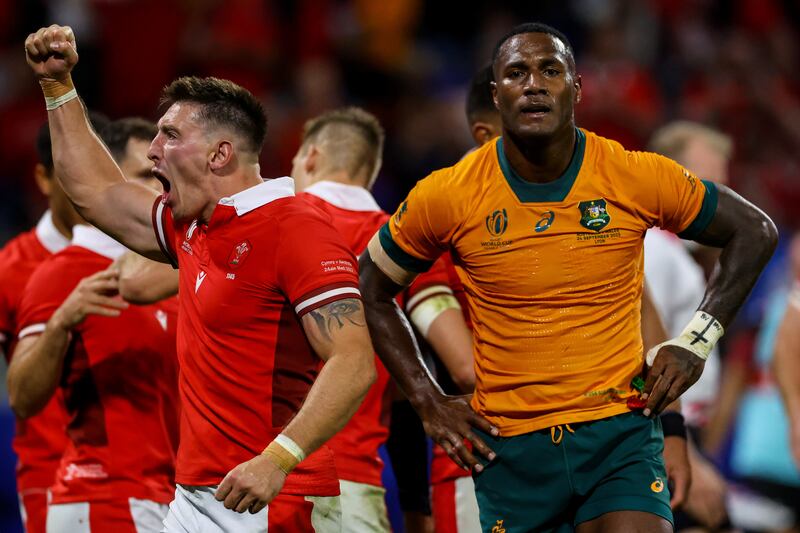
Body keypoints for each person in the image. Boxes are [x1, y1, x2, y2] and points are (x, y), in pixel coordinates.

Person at [359, 22, 777, 532]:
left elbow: (755, 231)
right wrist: (427, 400)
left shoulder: (633, 175)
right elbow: (373, 287)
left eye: (550, 70)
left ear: (576, 87)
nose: (534, 83)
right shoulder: (447, 195)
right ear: (497, 94)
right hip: (511, 451)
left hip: (619, 437)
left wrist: (695, 341)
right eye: (516, 73)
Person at [24, 25, 376, 532]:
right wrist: (58, 87)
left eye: (170, 136)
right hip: (194, 495)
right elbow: (96, 192)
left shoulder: (296, 227)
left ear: (219, 154)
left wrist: (276, 460)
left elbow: (353, 362)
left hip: (273, 495)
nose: (152, 151)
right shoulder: (194, 227)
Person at [8, 118, 180, 532]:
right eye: (145, 177)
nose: (159, 193)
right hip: (101, 495)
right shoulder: (63, 272)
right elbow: (21, 397)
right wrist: (60, 324)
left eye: (163, 179)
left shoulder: (171, 272)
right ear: (110, 185)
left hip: (169, 497)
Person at [0, 112, 109, 533]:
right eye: (72, 173)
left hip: (146, 482)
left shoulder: (144, 263)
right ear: (44, 179)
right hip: (51, 483)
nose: (88, 186)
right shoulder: (11, 269)